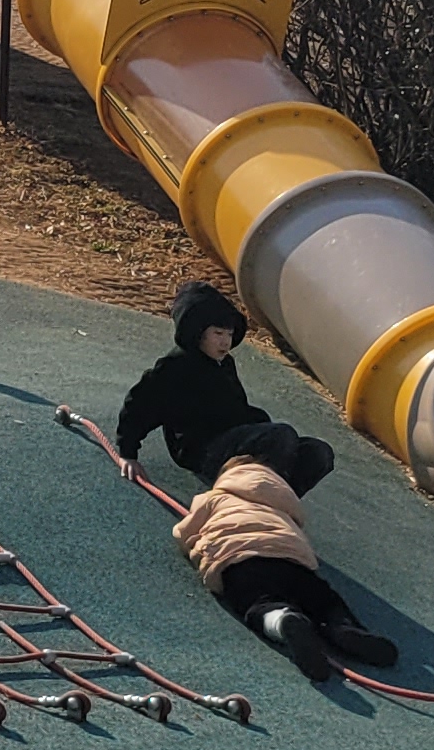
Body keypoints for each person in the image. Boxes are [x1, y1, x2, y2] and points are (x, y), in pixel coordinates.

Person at [172, 453, 399, 682]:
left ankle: (282, 619)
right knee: (324, 600)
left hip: (241, 561)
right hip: (292, 560)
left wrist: (196, 545)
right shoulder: (285, 505)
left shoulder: (215, 497)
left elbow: (183, 533)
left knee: (258, 603)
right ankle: (342, 626)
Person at [115, 278, 335, 494]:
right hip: (201, 450)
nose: (225, 342)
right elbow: (140, 405)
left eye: (229, 334)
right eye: (218, 334)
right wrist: (128, 454)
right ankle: (259, 496)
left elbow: (233, 408)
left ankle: (281, 497)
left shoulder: (224, 364)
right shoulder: (175, 366)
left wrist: (257, 421)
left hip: (231, 439)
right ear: (198, 333)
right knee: (280, 436)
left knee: (318, 452)